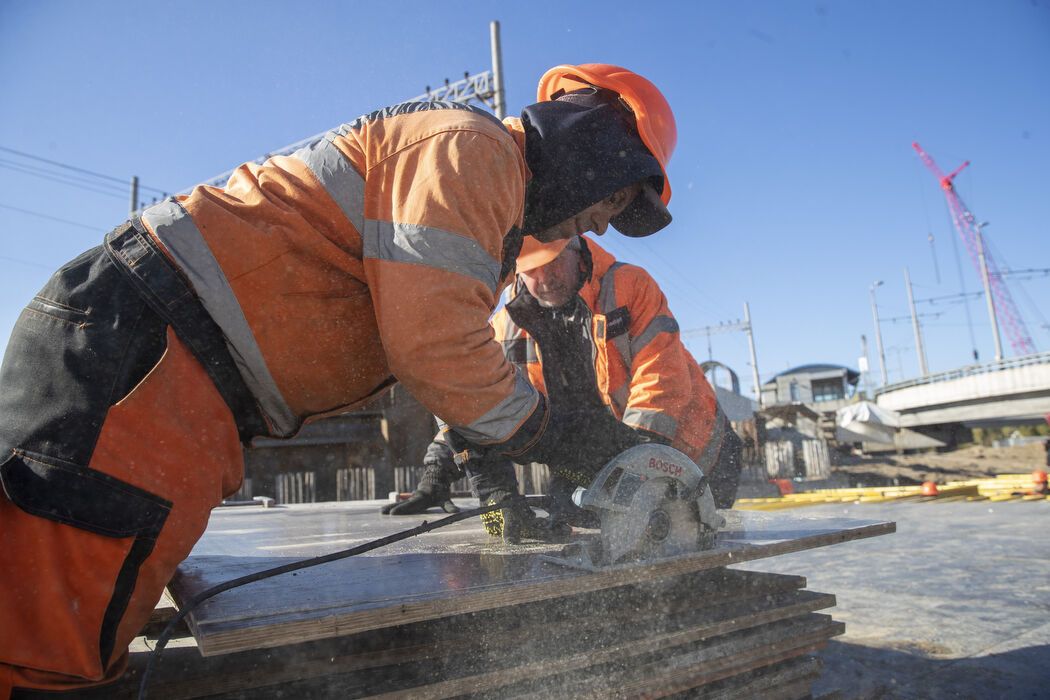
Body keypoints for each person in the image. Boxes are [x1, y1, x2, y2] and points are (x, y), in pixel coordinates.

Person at [0, 64, 677, 696]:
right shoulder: (474, 151)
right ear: (597, 140)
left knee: (84, 645)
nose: (600, 222)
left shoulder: (485, 197)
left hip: (172, 377)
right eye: (612, 199)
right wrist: (571, 437)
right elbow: (439, 349)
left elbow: (445, 359)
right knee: (40, 662)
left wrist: (499, 458)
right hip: (146, 358)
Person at [384, 234, 743, 540]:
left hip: (696, 453)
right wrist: (438, 469)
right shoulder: (508, 324)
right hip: (603, 455)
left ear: (577, 249)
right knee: (608, 556)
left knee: (692, 561)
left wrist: (640, 467)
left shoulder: (630, 287)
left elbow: (660, 378)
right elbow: (474, 400)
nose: (545, 279)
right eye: (531, 270)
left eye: (554, 263)